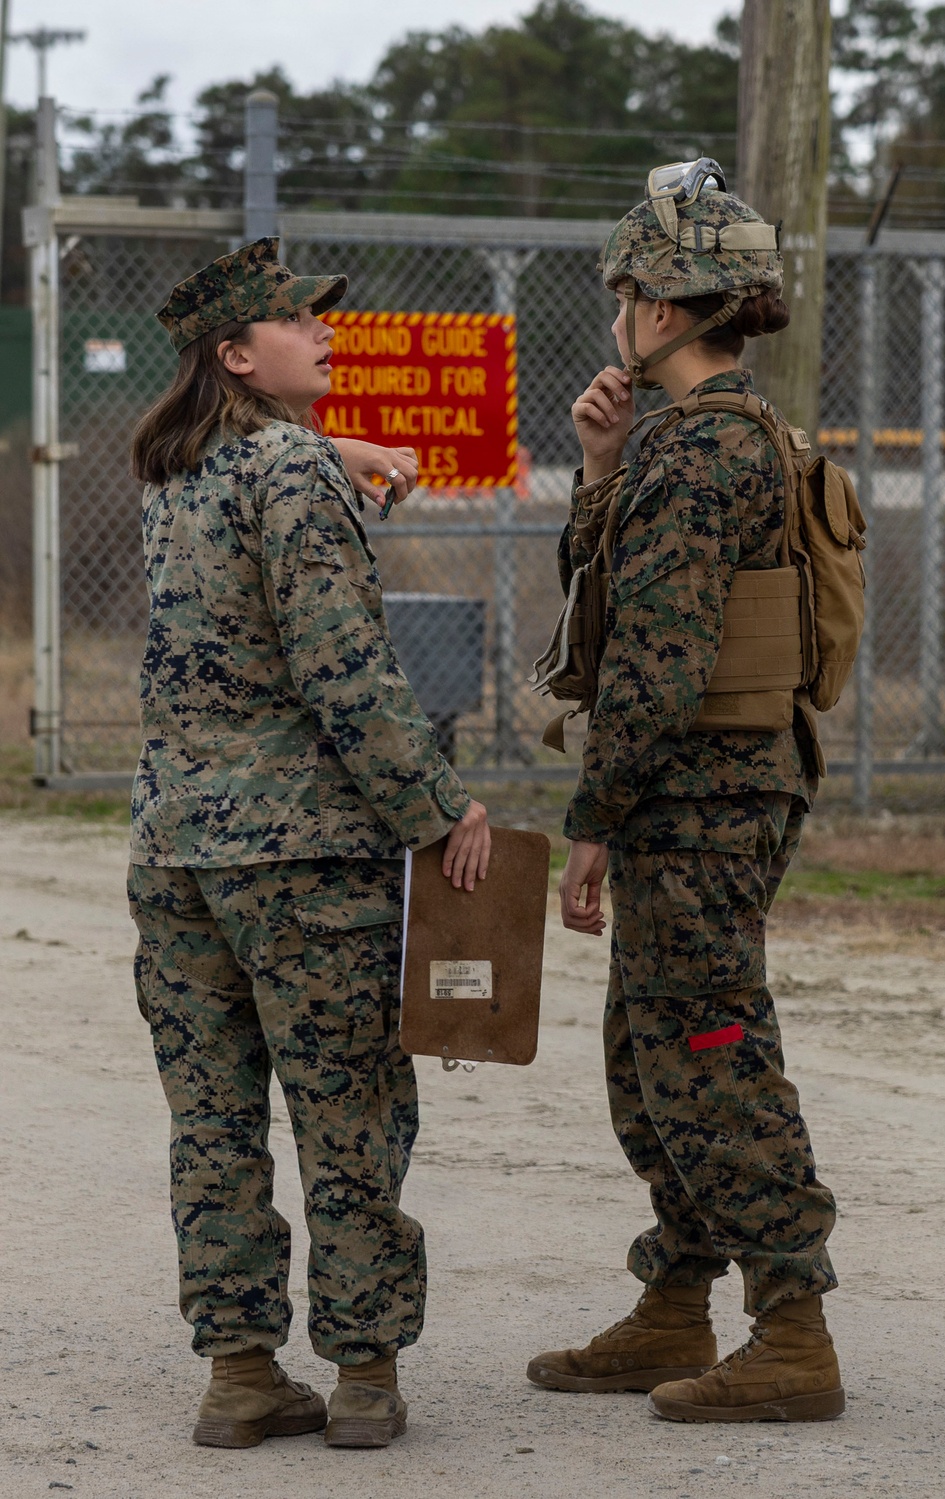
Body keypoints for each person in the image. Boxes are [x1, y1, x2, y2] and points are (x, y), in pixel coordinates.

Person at [127, 237, 490, 1451]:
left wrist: (340, 451)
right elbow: (347, 675)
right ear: (237, 354)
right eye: (299, 322)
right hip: (302, 860)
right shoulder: (288, 472)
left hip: (178, 853)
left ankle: (239, 1373)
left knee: (214, 1121)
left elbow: (255, 471)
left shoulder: (177, 471)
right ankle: (366, 1375)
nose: (327, 331)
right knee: (347, 1112)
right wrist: (442, 809)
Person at [526, 162, 844, 1423]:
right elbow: (610, 602)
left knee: (712, 1052)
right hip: (705, 795)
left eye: (623, 291)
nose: (616, 312)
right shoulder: (696, 443)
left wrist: (591, 824)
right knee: (649, 1048)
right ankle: (675, 1296)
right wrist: (600, 464)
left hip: (695, 801)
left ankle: (793, 1325)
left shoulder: (706, 455)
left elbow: (650, 667)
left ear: (658, 307)